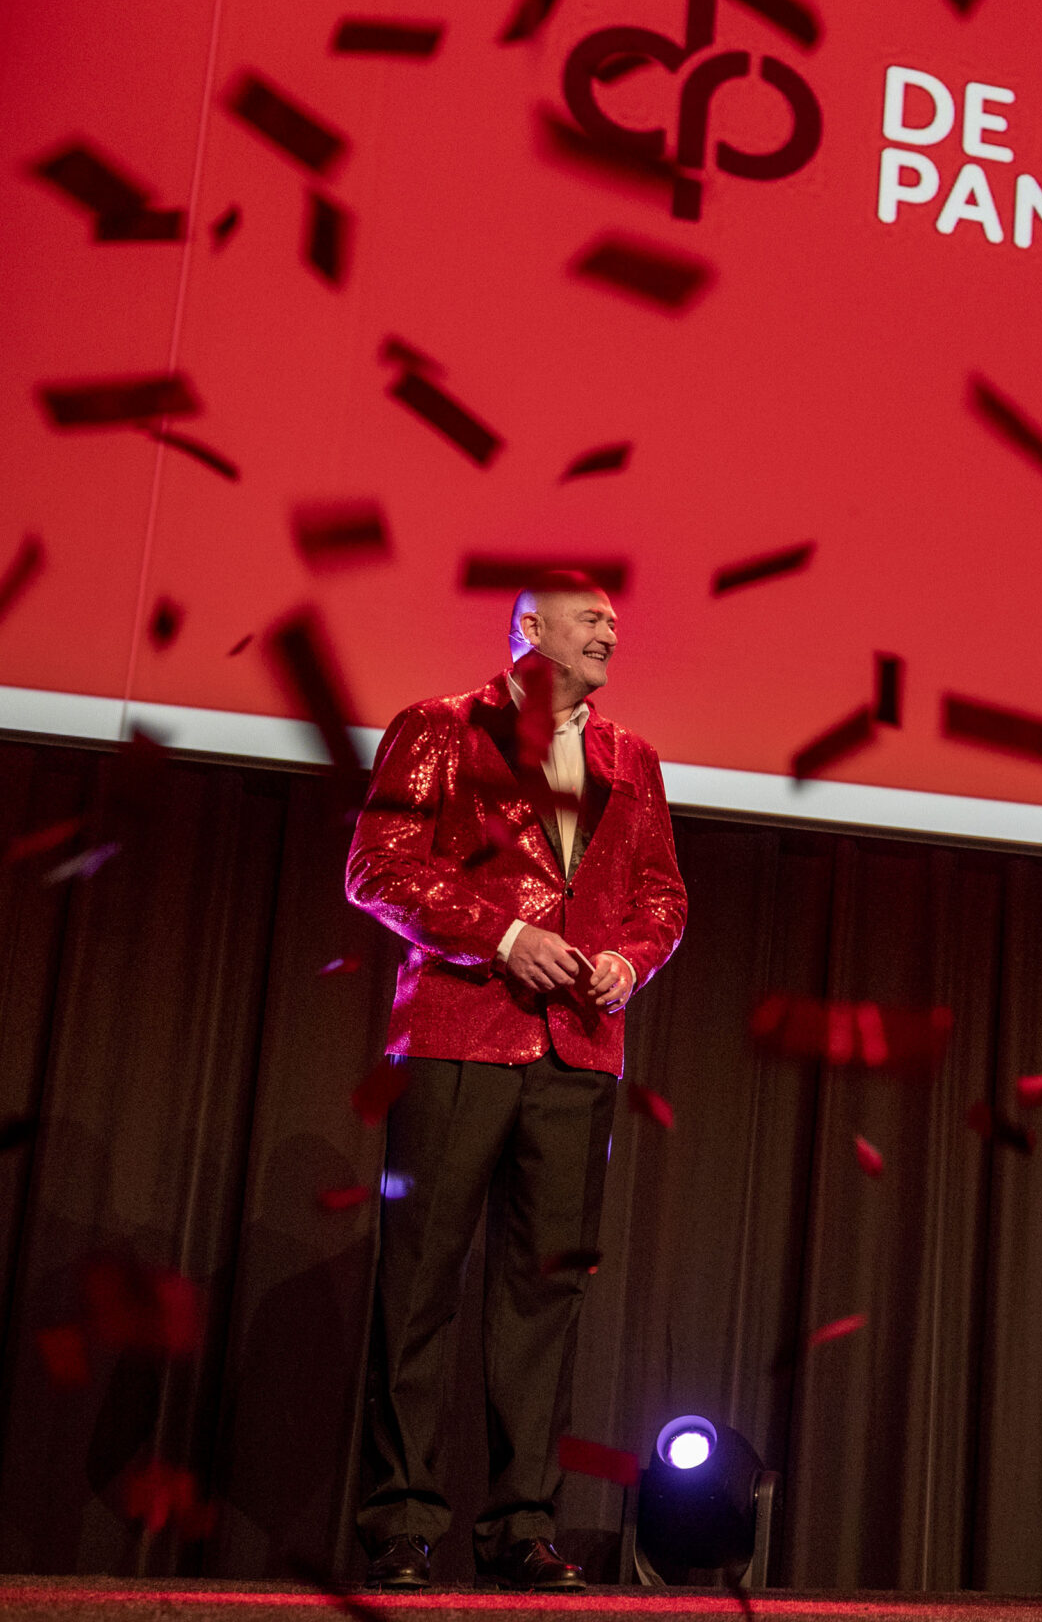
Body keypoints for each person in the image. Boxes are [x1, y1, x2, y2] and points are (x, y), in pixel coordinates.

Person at [345, 573, 687, 1592]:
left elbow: (662, 895)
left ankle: (521, 1529)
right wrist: (501, 934)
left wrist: (632, 958)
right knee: (417, 1291)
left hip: (581, 1052)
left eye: (617, 625)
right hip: (459, 1035)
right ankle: (399, 1528)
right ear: (528, 628)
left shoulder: (634, 757)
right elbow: (378, 866)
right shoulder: (441, 727)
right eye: (591, 622)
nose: (611, 638)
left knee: (546, 1298)